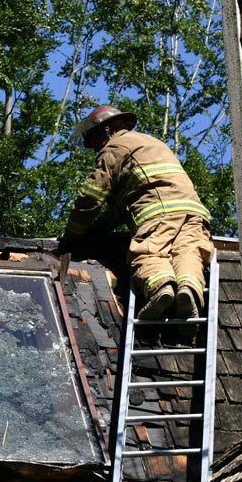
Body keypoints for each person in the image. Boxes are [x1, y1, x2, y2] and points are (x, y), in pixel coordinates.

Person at [58, 105, 214, 322]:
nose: (96, 148)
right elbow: (116, 214)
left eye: (94, 141)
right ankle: (188, 291)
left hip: (159, 213)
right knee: (187, 252)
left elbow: (90, 197)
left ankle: (161, 289)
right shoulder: (151, 143)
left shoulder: (115, 148)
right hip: (194, 213)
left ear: (106, 130)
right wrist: (95, 231)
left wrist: (72, 237)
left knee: (148, 252)